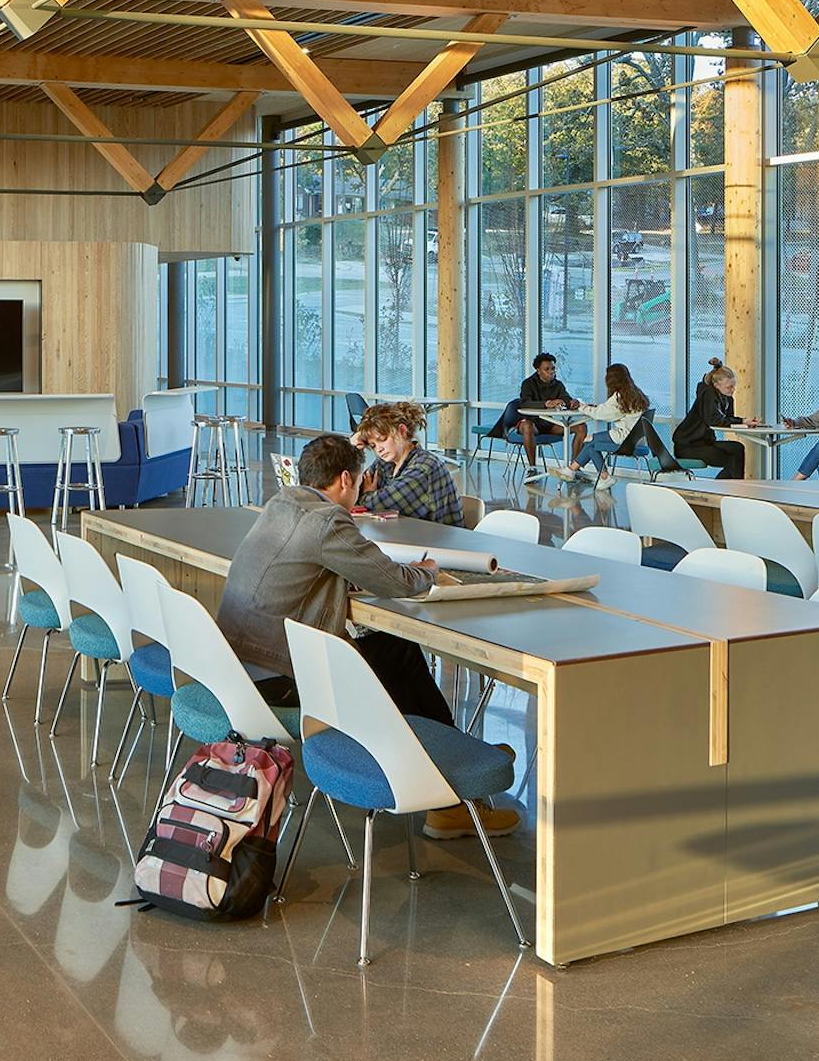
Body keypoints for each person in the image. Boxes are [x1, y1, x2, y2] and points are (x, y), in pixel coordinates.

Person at [216, 433, 516, 837]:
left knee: (387, 655)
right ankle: (452, 789)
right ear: (344, 479)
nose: (359, 491)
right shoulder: (328, 520)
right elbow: (394, 580)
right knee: (398, 652)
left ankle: (451, 762)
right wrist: (426, 570)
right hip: (278, 679)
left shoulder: (280, 504)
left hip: (237, 668)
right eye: (358, 482)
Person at [353, 400, 472, 527]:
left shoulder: (425, 467)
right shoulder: (385, 463)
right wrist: (352, 446)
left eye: (382, 439)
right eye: (373, 445)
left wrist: (367, 494)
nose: (379, 449)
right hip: (409, 538)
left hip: (439, 543)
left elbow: (379, 504)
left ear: (402, 431)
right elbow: (348, 489)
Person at [566, 362, 673, 478]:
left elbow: (600, 414)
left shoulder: (619, 397)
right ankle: (579, 471)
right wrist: (593, 407)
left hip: (626, 441)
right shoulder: (636, 394)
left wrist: (581, 406)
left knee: (589, 442)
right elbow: (609, 410)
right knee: (591, 443)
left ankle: (581, 472)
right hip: (639, 442)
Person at [491, 352, 576, 474]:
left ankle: (573, 469)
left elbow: (566, 398)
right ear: (538, 370)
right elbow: (524, 403)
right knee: (527, 426)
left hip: (549, 424)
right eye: (547, 369)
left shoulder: (558, 385)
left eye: (553, 368)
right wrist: (546, 404)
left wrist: (572, 402)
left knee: (580, 427)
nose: (551, 372)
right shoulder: (528, 383)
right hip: (531, 424)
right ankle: (532, 468)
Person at [672, 358, 754, 480]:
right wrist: (742, 421)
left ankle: (730, 488)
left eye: (733, 386)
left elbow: (728, 418)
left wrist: (745, 421)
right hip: (688, 446)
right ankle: (733, 488)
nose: (733, 390)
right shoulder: (708, 394)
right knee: (732, 461)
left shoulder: (727, 398)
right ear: (716, 385)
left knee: (737, 448)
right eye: (729, 387)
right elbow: (714, 420)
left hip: (704, 442)